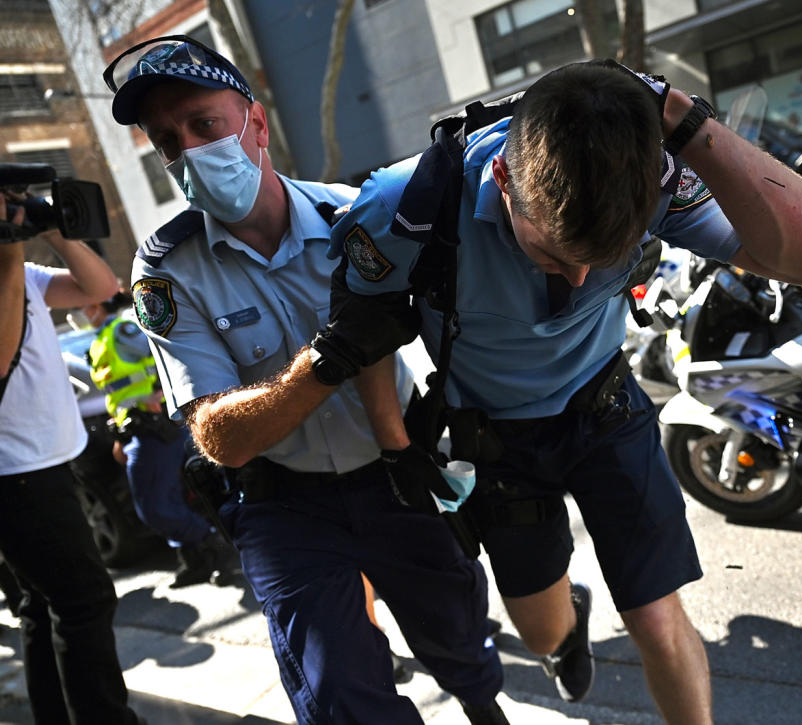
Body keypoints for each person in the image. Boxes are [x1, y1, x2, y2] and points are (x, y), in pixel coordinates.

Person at [310, 60, 802, 724]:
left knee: (654, 614)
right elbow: (368, 331)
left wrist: (688, 122)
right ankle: (568, 627)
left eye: (603, 255)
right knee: (540, 635)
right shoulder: (406, 206)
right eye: (555, 255)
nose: (580, 275)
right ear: (503, 179)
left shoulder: (650, 177)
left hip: (605, 409)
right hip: (496, 439)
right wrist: (398, 450)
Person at [103, 35, 508, 725]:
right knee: (340, 696)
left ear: (255, 125)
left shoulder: (356, 214)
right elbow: (219, 437)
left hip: (396, 468)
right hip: (284, 504)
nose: (190, 151)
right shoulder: (166, 270)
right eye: (168, 141)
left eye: (205, 123)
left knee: (463, 646)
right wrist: (327, 361)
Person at [0, 203, 143, 724]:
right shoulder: (11, 271)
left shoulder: (25, 274)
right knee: (84, 601)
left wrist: (57, 232)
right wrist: (11, 247)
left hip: (48, 462)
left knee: (41, 606)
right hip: (16, 473)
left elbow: (101, 288)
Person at [82, 291, 228, 587]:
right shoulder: (103, 338)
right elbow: (119, 393)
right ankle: (195, 560)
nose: (80, 313)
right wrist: (119, 436)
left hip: (154, 427)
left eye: (83, 306)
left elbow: (165, 354)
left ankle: (212, 544)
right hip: (136, 429)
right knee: (164, 501)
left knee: (155, 507)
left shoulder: (123, 329)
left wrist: (161, 395)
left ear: (96, 304)